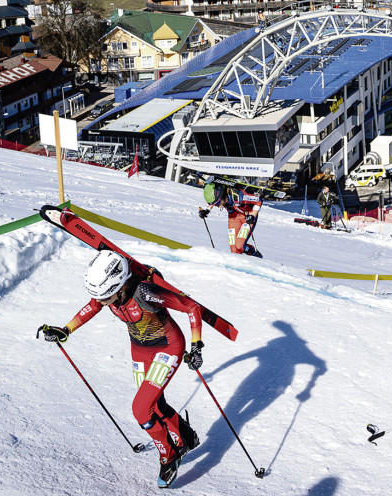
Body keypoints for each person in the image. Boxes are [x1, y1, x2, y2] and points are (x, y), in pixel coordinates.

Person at [37, 251, 204, 487]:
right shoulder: (108, 293)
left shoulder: (145, 292)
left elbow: (191, 307)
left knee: (141, 409)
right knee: (154, 405)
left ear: (121, 285)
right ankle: (186, 436)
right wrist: (66, 329)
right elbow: (92, 306)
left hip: (168, 346)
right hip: (140, 348)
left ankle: (169, 454)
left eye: (106, 297)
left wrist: (196, 346)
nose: (102, 302)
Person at [199, 178, 263, 257]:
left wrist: (252, 215)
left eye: (218, 203)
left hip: (247, 216)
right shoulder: (220, 197)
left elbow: (258, 200)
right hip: (233, 217)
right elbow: (213, 201)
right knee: (234, 250)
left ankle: (256, 255)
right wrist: (207, 210)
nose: (218, 206)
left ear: (222, 196)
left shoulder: (240, 196)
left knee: (240, 246)